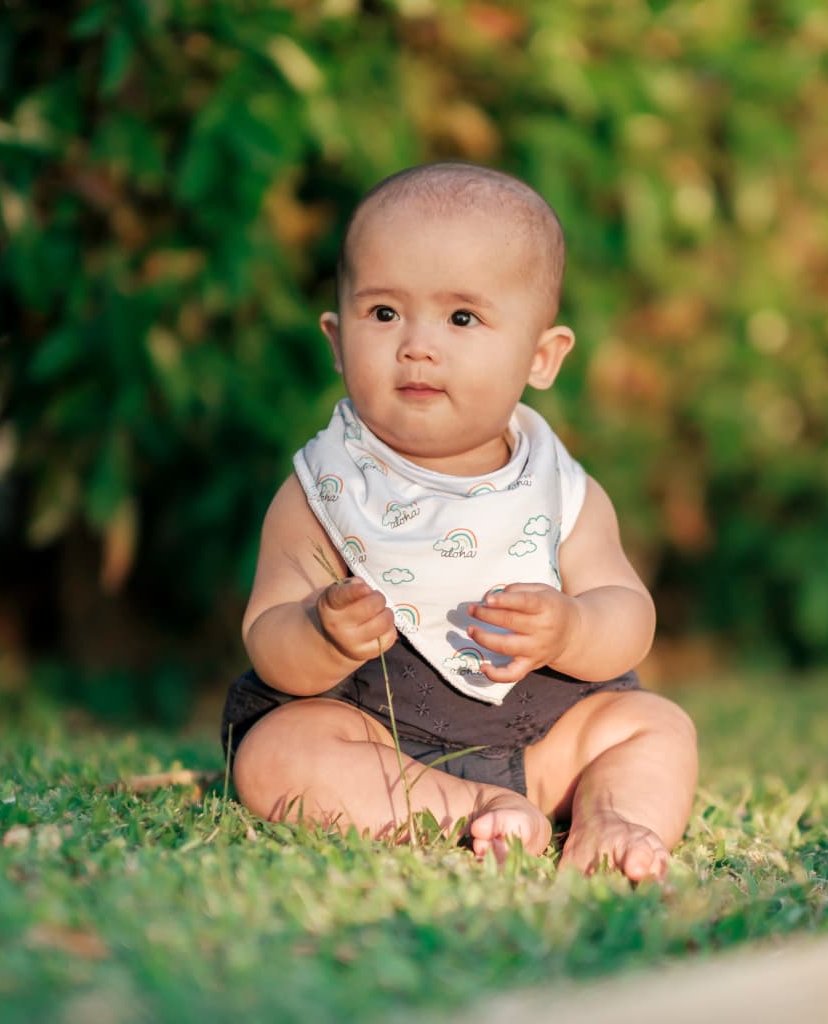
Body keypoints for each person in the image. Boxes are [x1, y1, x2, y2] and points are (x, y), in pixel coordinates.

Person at [221, 162, 697, 882]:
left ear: (541, 356)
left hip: (546, 746)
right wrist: (321, 632)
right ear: (336, 340)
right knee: (274, 754)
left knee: (655, 726)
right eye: (384, 313)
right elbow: (268, 640)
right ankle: (472, 808)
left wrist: (572, 629)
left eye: (462, 318)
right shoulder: (322, 490)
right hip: (379, 741)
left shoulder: (560, 491)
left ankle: (610, 816)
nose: (417, 344)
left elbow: (629, 614)